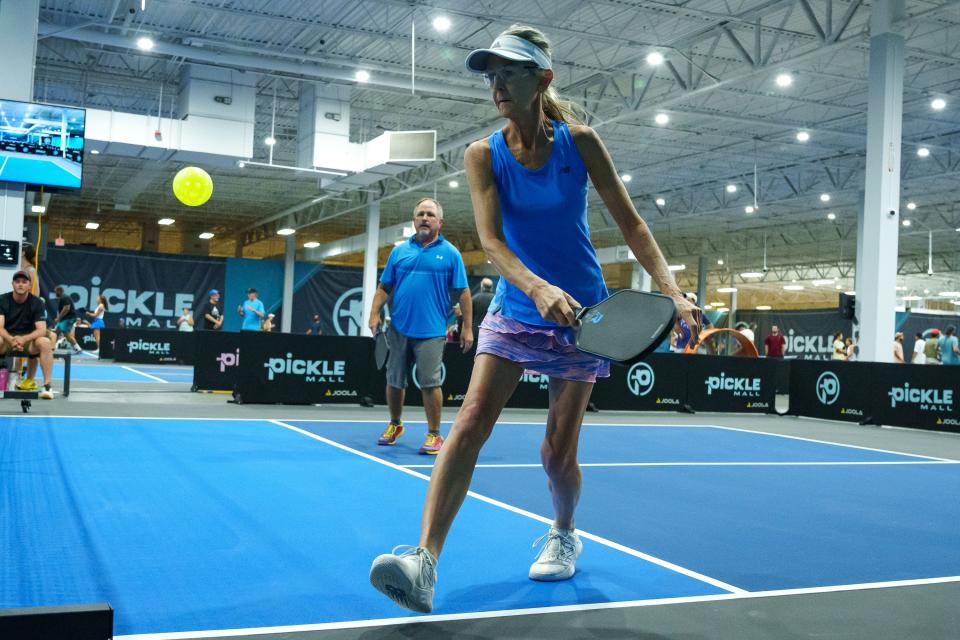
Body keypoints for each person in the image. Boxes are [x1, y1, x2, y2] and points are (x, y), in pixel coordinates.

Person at [368, 26, 699, 613]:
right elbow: (492, 241)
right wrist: (535, 286)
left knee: (555, 454)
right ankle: (424, 562)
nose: (496, 85)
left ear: (542, 79)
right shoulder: (482, 153)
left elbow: (633, 226)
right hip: (518, 309)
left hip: (584, 318)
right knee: (468, 422)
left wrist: (672, 292)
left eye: (510, 73)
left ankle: (565, 531)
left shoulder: (581, 143)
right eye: (490, 74)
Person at [368, 197, 473, 455]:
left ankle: (434, 434)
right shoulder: (399, 252)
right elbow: (384, 288)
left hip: (432, 331)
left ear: (440, 221)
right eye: (420, 214)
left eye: (430, 215)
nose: (424, 218)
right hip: (399, 328)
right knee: (394, 381)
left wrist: (468, 328)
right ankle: (395, 424)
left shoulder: (450, 253)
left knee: (429, 384)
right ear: (414, 220)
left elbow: (463, 292)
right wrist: (373, 313)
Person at [0, 270, 55, 399]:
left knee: (45, 342)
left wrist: (24, 339)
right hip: (7, 340)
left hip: (29, 342)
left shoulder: (37, 302)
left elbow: (41, 330)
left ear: (29, 285)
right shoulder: (2, 299)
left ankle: (47, 386)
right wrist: (11, 339)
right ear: (12, 284)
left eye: (24, 282)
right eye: (17, 282)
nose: (20, 284)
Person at [52, 286, 83, 354]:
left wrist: (58, 318)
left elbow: (67, 308)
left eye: (55, 292)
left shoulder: (64, 297)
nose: (55, 293)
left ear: (58, 291)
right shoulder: (63, 297)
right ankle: (52, 348)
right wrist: (59, 318)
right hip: (66, 319)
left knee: (66, 334)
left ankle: (78, 349)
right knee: (57, 332)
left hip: (68, 318)